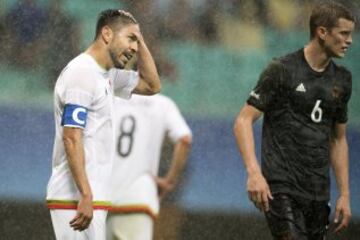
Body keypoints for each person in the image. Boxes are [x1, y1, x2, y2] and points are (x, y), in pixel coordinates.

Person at [233, 2, 354, 239]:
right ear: (322, 32)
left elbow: (338, 140)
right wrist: (254, 172)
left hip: (318, 192)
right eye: (344, 33)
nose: (349, 40)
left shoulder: (342, 80)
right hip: (282, 187)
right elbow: (243, 121)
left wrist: (345, 194)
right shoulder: (282, 70)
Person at [46, 9, 161, 240]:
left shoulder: (106, 76)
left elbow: (152, 85)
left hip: (90, 196)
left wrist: (140, 37)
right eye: (130, 39)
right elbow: (71, 136)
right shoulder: (82, 73)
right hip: (75, 197)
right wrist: (86, 194)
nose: (135, 48)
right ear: (107, 34)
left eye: (137, 42)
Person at [106, 94, 192, 240]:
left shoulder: (109, 99)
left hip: (102, 198)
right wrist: (170, 180)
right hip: (139, 196)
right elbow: (184, 139)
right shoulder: (162, 103)